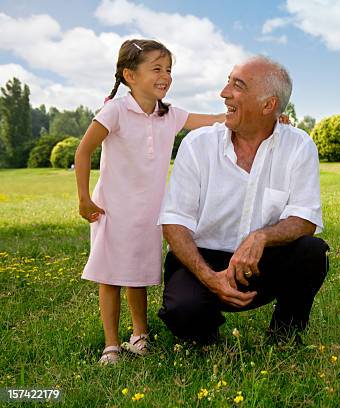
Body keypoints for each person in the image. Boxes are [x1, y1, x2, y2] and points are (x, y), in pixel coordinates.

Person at [75, 39, 228, 365]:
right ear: (130, 75)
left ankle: (140, 335)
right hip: (113, 209)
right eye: (156, 69)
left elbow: (214, 119)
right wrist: (84, 198)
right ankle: (112, 345)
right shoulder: (115, 110)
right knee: (112, 276)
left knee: (139, 274)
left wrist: (262, 117)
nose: (165, 76)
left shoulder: (169, 115)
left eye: (169, 69)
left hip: (150, 213)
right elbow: (84, 151)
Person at [158, 55, 329, 346]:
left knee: (313, 253)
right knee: (183, 311)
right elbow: (174, 222)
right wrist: (209, 277)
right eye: (228, 82)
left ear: (268, 105)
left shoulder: (299, 145)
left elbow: (305, 218)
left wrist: (260, 237)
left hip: (260, 261)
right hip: (202, 259)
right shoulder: (197, 145)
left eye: (237, 85)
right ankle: (208, 340)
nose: (224, 93)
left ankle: (284, 337)